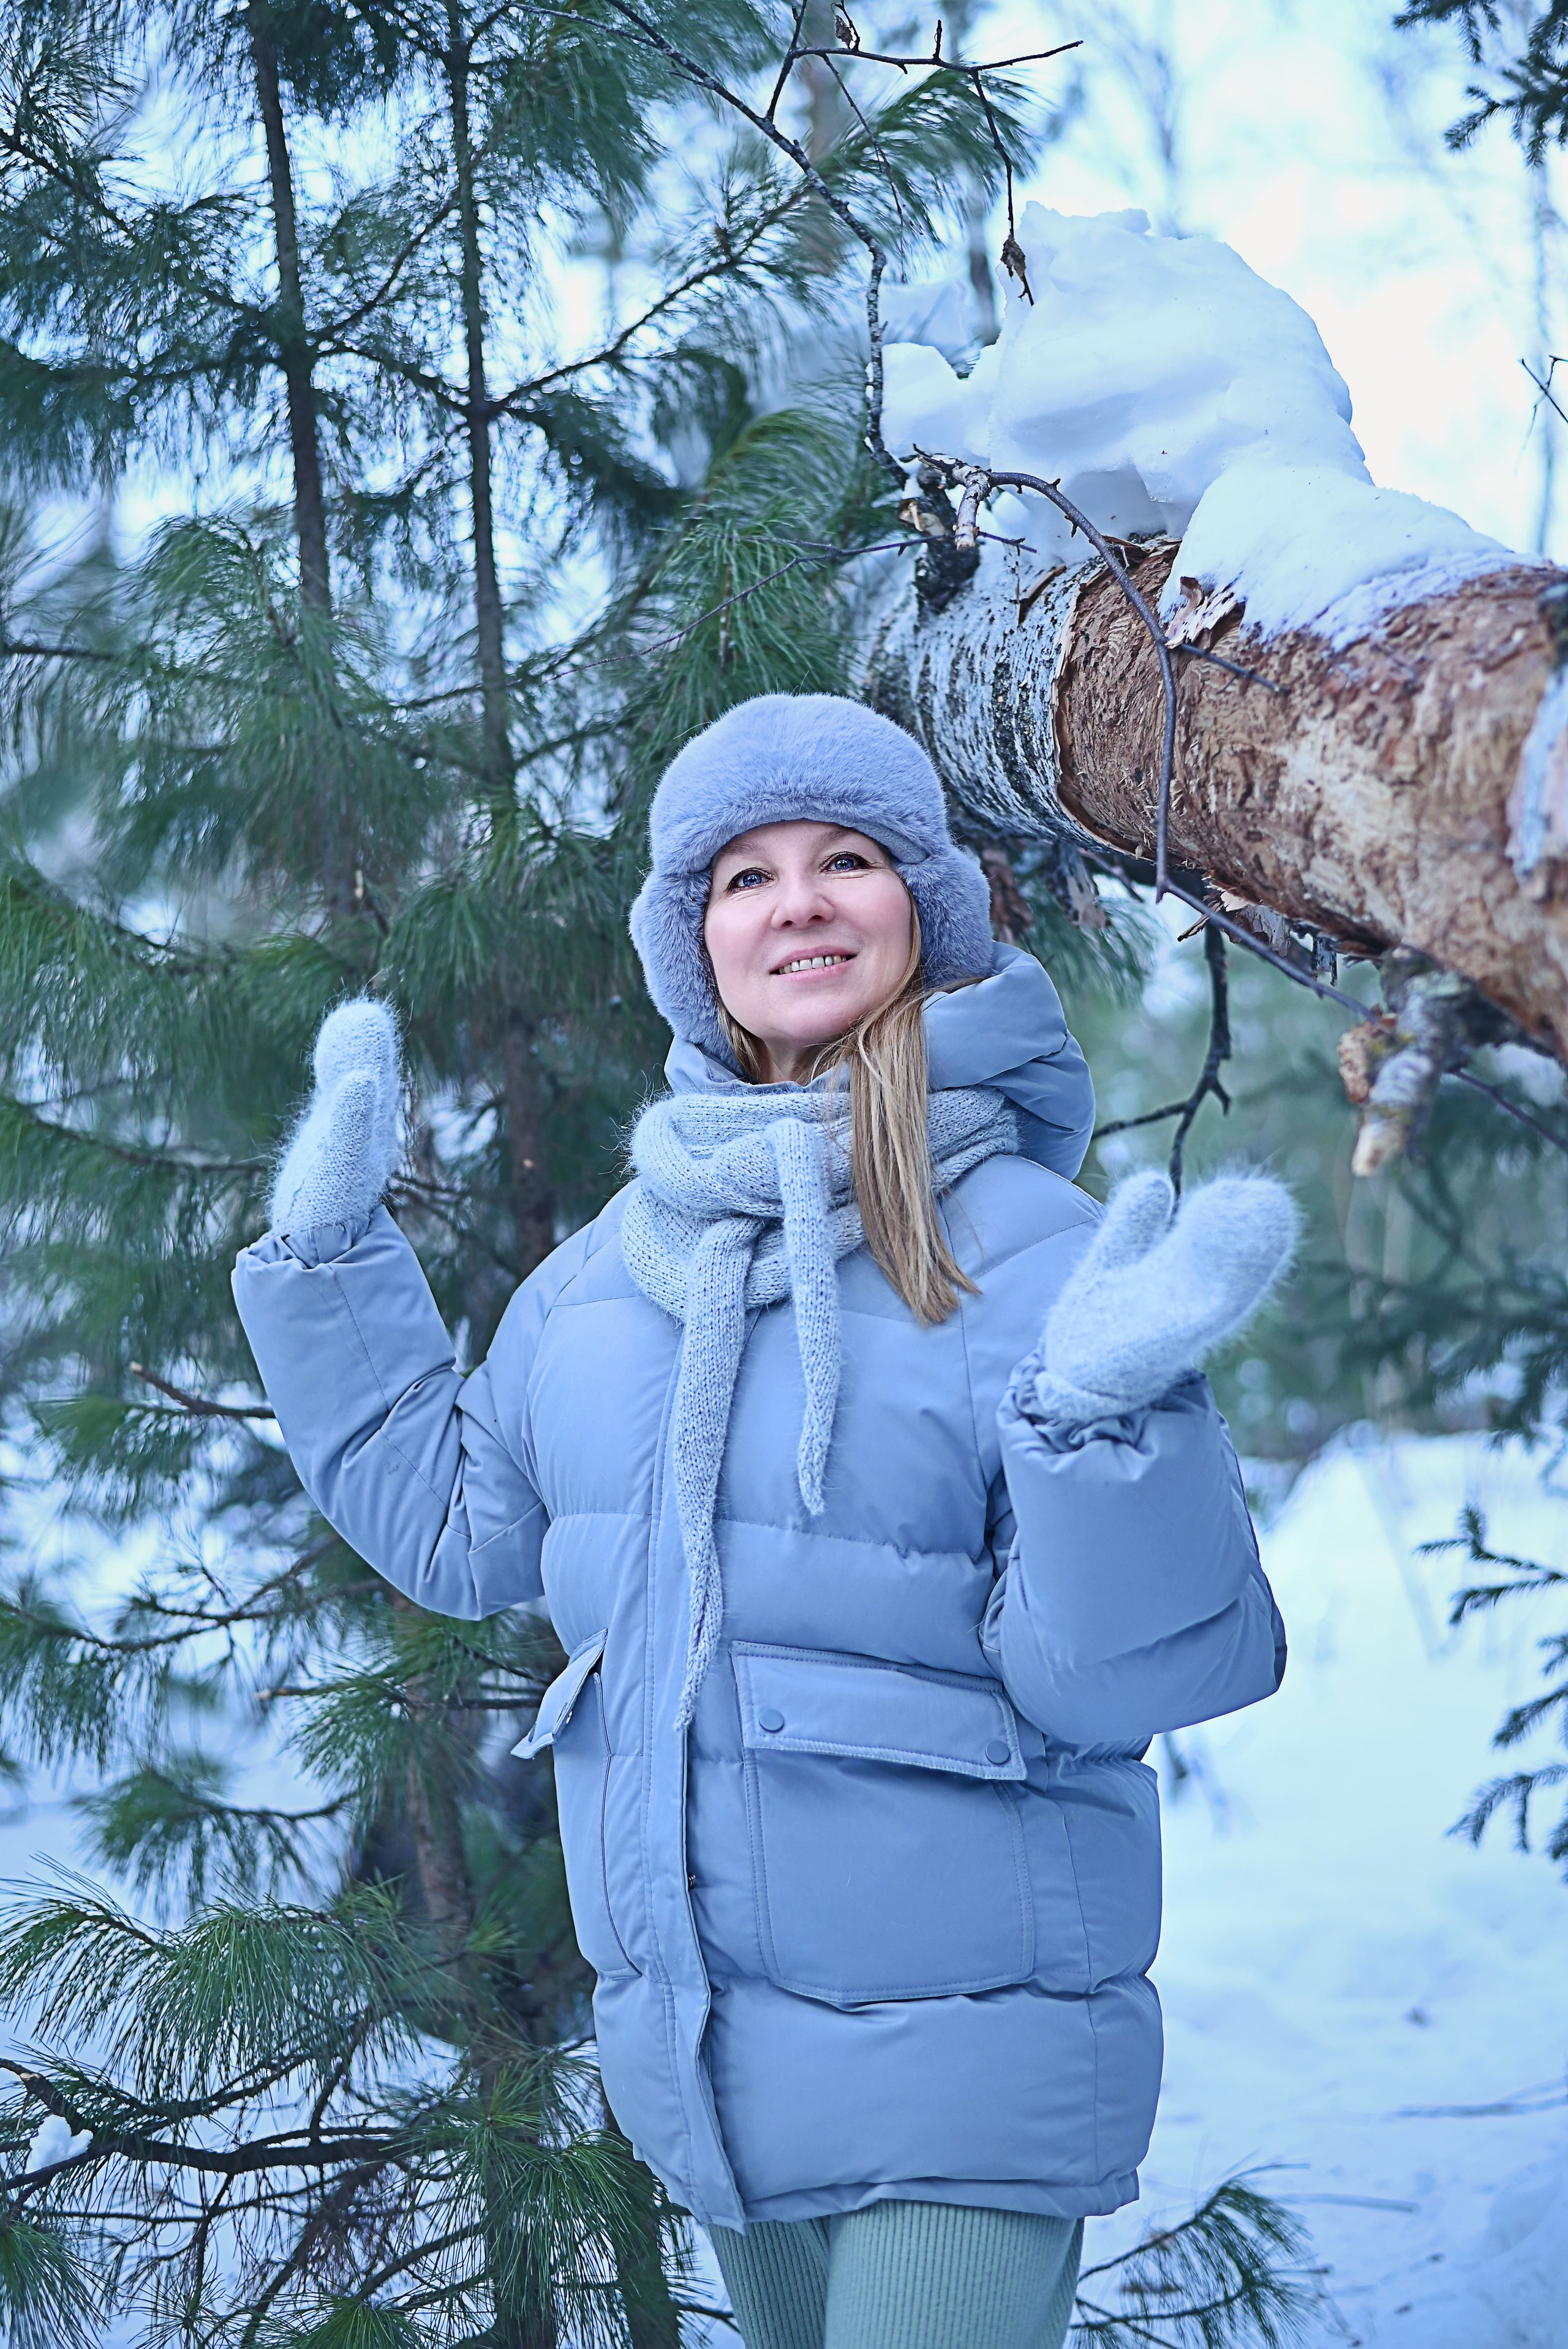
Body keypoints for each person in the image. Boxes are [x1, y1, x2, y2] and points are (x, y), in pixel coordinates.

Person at [233, 693, 1295, 2349]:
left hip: (968, 2058)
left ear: (922, 913)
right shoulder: (602, 1279)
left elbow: (1126, 1680)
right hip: (715, 2070)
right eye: (746, 875)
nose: (797, 899)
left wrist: (1108, 1428)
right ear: (695, 944)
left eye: (848, 857)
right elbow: (462, 1529)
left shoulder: (1031, 1246)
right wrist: (327, 1273)